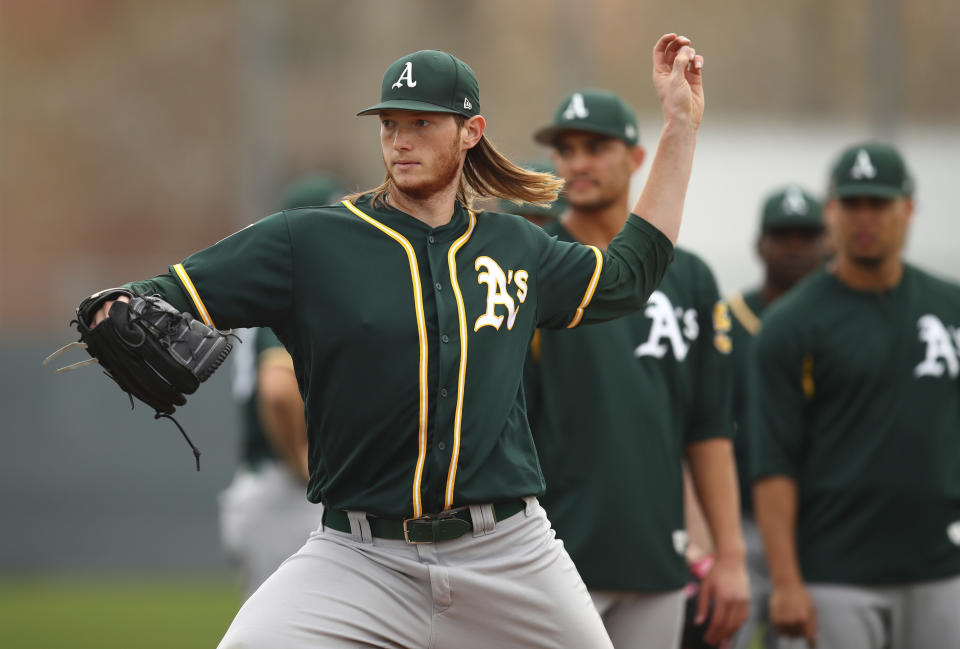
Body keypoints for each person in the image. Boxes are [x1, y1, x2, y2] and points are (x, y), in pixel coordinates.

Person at [87, 34, 705, 648]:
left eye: (421, 123)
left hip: (509, 552)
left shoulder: (517, 248)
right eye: (389, 124)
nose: (400, 139)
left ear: (470, 131)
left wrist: (679, 124)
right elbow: (165, 289)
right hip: (359, 557)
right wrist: (110, 307)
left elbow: (626, 276)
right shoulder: (309, 242)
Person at [525, 88, 749, 649]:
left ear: (636, 157)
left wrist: (729, 556)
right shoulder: (532, 264)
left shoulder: (690, 277)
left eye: (596, 146)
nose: (578, 162)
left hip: (655, 557)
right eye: (567, 148)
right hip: (549, 557)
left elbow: (709, 427)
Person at [750, 142, 960, 649]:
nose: (865, 217)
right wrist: (786, 582)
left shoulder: (949, 306)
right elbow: (773, 464)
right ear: (831, 211)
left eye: (879, 203)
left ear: (907, 210)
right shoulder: (791, 323)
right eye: (852, 203)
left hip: (942, 567)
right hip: (835, 574)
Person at [219, 174, 344, 598]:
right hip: (285, 491)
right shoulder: (295, 288)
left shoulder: (278, 283)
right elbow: (276, 387)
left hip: (271, 489)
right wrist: (301, 464)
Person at [727, 186, 827, 649]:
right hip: (741, 519)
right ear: (759, 243)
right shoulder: (726, 321)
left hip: (821, 524)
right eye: (782, 234)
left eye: (805, 235)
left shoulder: (838, 322)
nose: (793, 246)